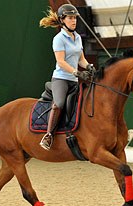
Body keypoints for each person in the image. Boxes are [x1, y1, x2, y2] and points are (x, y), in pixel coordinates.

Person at [39, 4, 96, 151]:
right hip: (61, 79)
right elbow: (61, 62)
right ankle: (48, 135)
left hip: (74, 79)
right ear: (62, 20)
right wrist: (76, 72)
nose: (74, 21)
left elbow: (81, 59)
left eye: (75, 18)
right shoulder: (59, 39)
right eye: (70, 18)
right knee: (59, 103)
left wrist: (89, 66)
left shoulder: (77, 37)